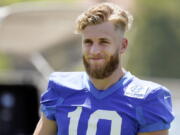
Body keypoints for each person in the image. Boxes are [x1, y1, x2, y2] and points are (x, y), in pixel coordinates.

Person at [33, 2, 174, 135]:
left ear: (123, 45)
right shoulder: (61, 87)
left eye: (103, 42)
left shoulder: (149, 98)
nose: (94, 51)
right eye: (88, 42)